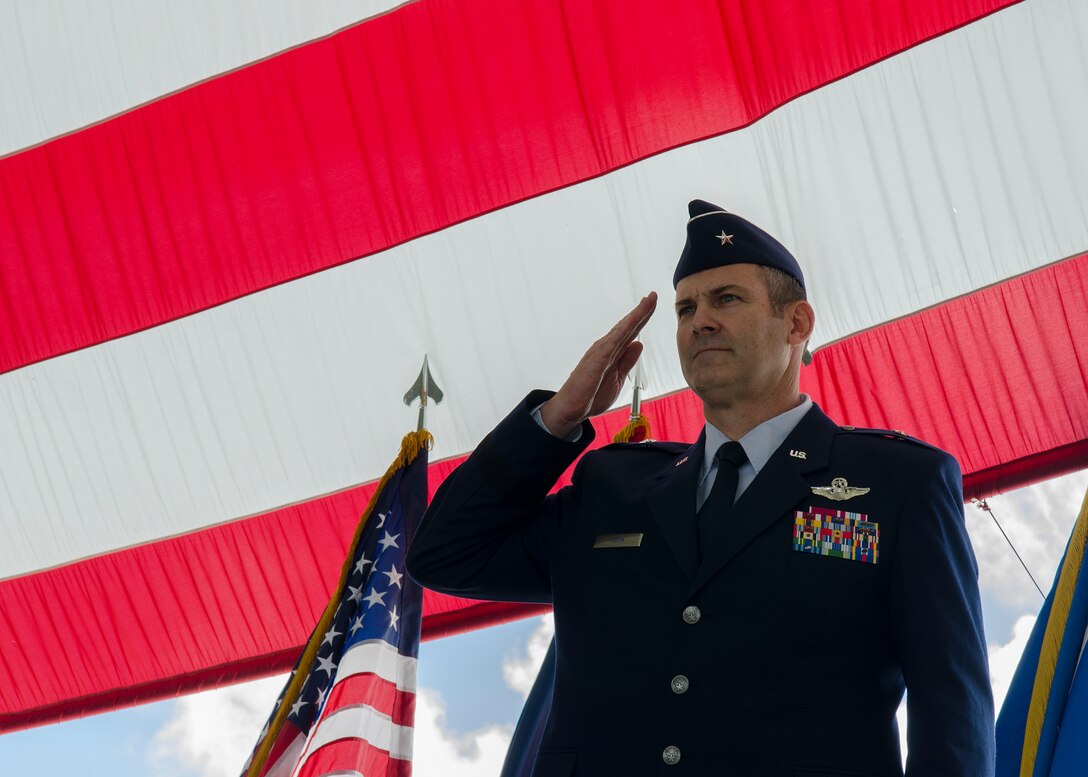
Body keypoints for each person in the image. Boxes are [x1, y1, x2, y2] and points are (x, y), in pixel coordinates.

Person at [406, 199, 995, 776]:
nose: (700, 321)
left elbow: (953, 711)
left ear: (797, 323)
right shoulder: (614, 486)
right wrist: (558, 418)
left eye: (727, 299)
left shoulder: (897, 483)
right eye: (686, 309)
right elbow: (445, 555)